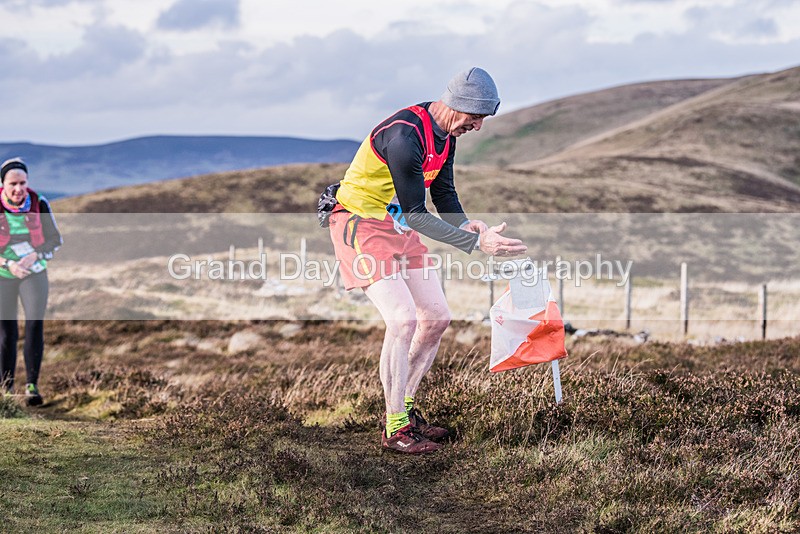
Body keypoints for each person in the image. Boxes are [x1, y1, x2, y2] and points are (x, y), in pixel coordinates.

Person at [327, 67, 527, 454]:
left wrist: (471, 227)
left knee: (436, 317)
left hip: (398, 224)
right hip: (360, 224)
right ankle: (395, 426)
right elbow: (420, 214)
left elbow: (445, 193)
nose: (478, 127)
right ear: (457, 105)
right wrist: (475, 247)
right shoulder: (405, 137)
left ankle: (406, 410)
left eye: (483, 119)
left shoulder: (446, 135)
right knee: (402, 319)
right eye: (476, 118)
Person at [0, 158, 63, 406]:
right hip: (4, 275)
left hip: (35, 273)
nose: (19, 189)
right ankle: (6, 388)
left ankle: (32, 387)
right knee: (6, 333)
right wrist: (9, 264)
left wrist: (36, 254)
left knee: (34, 326)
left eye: (23, 183)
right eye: (13, 183)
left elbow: (55, 240)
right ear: (2, 184)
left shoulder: (39, 203)